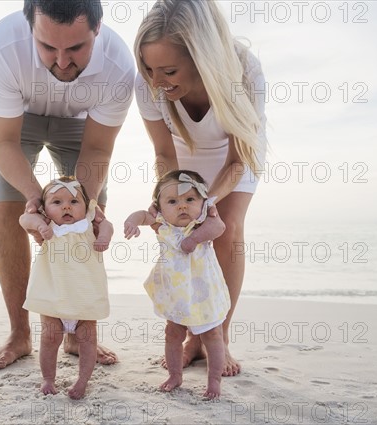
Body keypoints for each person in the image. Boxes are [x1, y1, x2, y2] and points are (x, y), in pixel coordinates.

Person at [0, 0, 135, 370]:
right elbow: (2, 142)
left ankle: (75, 332)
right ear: (30, 26)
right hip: (16, 123)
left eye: (76, 48)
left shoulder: (118, 65)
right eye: (48, 47)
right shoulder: (3, 45)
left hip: (82, 123)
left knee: (87, 216)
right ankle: (20, 333)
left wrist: (87, 205)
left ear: (97, 29)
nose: (62, 62)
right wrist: (37, 201)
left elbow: (97, 147)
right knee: (6, 203)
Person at [134, 0, 268, 376]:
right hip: (182, 156)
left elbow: (241, 156)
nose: (156, 81)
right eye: (148, 68)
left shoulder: (243, 69)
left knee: (226, 231)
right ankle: (190, 335)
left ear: (200, 57)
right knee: (184, 236)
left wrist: (206, 202)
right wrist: (173, 199)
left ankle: (217, 337)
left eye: (169, 70)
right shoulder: (148, 80)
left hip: (235, 153)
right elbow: (163, 151)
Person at [124, 170, 230, 399]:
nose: (182, 206)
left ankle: (214, 381)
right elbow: (143, 215)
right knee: (172, 334)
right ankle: (175, 375)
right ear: (159, 207)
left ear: (203, 202)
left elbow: (219, 227)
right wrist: (132, 221)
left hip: (204, 293)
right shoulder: (162, 224)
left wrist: (193, 239)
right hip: (176, 295)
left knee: (212, 335)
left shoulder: (203, 221)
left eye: (190, 199)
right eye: (172, 201)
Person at [20, 176, 112, 399]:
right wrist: (40, 224)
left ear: (86, 206)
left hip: (85, 299)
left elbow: (107, 225)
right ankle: (48, 378)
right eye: (57, 202)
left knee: (88, 342)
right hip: (53, 299)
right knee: (49, 339)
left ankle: (82, 381)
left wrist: (105, 236)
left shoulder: (90, 222)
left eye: (73, 201)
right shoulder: (48, 226)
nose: (66, 207)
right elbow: (25, 219)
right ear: (45, 209)